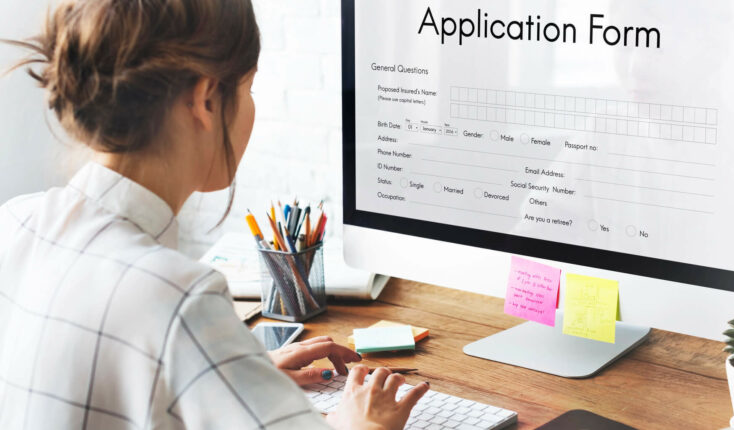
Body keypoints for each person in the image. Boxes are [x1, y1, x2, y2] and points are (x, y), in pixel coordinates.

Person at [0, 0, 429, 429]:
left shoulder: (14, 223)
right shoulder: (178, 296)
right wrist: (365, 423)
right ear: (206, 99)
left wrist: (232, 371)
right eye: (248, 89)